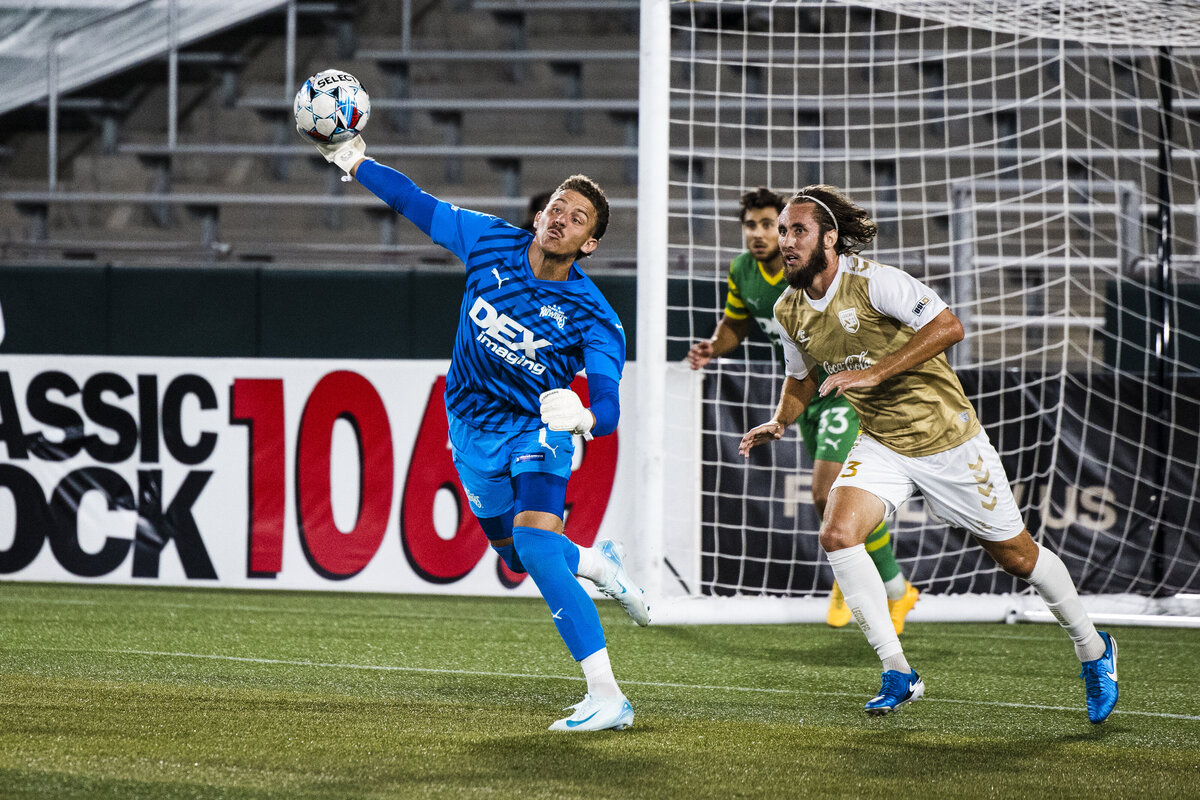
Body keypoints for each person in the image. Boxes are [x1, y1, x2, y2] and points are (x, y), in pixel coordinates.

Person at [738, 185, 1119, 723]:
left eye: (798, 230)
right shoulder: (787, 308)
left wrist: (874, 371)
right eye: (783, 231)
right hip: (883, 443)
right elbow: (799, 378)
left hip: (949, 441)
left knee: (1017, 558)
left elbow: (949, 326)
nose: (786, 241)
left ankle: (1094, 650)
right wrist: (779, 421)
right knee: (837, 532)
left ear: (829, 237)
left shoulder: (874, 281)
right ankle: (898, 670)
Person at [312, 135, 651, 732]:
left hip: (536, 433)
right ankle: (597, 566)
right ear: (540, 214)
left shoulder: (595, 315)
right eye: (556, 208)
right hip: (469, 429)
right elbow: (414, 202)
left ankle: (608, 694)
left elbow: (608, 405)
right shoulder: (490, 239)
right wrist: (355, 161)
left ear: (589, 243)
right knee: (516, 557)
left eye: (577, 219)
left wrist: (585, 418)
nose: (560, 220)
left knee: (539, 547)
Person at [687, 188, 919, 633]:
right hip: (803, 394)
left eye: (773, 226)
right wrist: (714, 346)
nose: (761, 235)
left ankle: (849, 567)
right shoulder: (742, 271)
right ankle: (895, 589)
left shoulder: (812, 272)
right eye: (752, 225)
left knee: (824, 490)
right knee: (828, 497)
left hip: (845, 391)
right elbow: (737, 321)